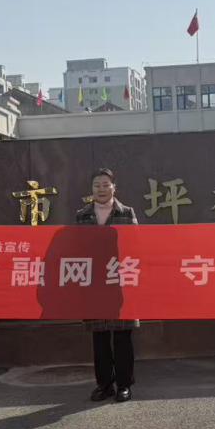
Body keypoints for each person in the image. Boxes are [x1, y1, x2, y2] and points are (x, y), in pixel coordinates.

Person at [75, 168, 139, 403]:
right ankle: (104, 385)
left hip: (120, 281)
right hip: (94, 283)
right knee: (99, 337)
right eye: (97, 185)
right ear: (91, 189)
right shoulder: (82, 216)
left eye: (105, 184)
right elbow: (76, 247)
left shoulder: (127, 213)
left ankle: (124, 385)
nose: (101, 189)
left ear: (114, 187)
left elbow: (136, 244)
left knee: (122, 336)